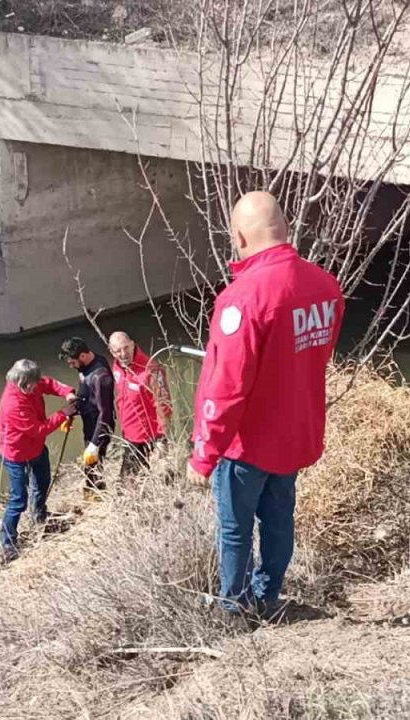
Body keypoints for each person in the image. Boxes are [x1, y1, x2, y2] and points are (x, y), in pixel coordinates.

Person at [187, 191, 344, 620]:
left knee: (236, 530)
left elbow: (226, 387)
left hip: (247, 444)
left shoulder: (243, 299)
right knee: (279, 520)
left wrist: (204, 455)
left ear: (239, 236)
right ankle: (267, 594)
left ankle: (234, 610)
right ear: (285, 228)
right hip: (294, 433)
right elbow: (317, 354)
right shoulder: (325, 286)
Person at [0, 359, 77, 562]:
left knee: (42, 482)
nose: (36, 386)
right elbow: (38, 429)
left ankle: (40, 516)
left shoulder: (32, 382)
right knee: (18, 500)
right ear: (23, 383)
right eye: (33, 384)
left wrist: (67, 392)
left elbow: (49, 383)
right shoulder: (14, 404)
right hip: (16, 456)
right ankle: (8, 542)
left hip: (36, 449)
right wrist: (64, 413)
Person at [108, 331, 172, 480]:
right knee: (139, 480)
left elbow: (164, 405)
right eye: (118, 351)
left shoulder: (152, 370)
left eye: (126, 348)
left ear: (132, 344)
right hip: (128, 433)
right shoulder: (118, 366)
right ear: (112, 352)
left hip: (146, 437)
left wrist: (161, 439)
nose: (124, 354)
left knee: (127, 484)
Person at [59, 337, 116, 497]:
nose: (71, 366)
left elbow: (105, 412)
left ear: (83, 356)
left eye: (72, 362)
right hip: (88, 420)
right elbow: (84, 394)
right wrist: (73, 411)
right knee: (91, 464)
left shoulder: (101, 377)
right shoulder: (85, 369)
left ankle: (95, 495)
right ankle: (93, 492)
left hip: (100, 425)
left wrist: (95, 444)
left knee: (93, 463)